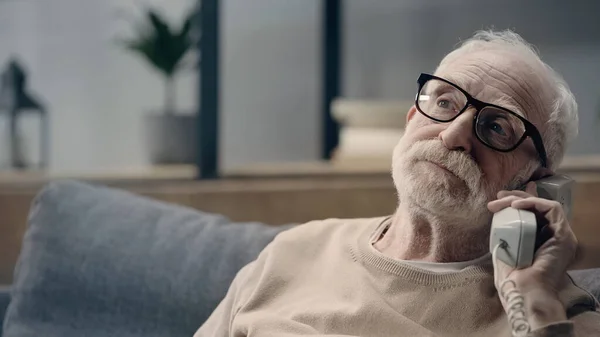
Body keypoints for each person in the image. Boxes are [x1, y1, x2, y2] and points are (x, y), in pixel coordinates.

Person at [194, 30, 600, 337]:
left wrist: (531, 296)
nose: (454, 135)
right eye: (444, 103)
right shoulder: (292, 251)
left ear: (537, 182)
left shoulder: (555, 311)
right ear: (411, 120)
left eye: (496, 126)